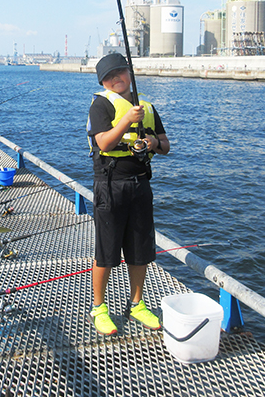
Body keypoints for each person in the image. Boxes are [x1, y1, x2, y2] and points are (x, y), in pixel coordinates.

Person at [86, 53, 170, 336]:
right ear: (103, 82)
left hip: (140, 185)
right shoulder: (101, 105)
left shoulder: (146, 106)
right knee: (106, 252)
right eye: (109, 77)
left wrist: (152, 141)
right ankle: (99, 307)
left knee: (140, 250)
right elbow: (104, 141)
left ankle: (137, 303)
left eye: (120, 72)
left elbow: (166, 146)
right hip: (110, 185)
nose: (116, 79)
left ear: (130, 72)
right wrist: (126, 122)